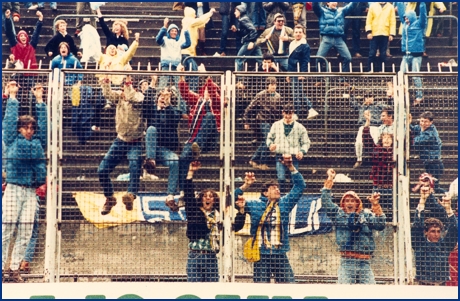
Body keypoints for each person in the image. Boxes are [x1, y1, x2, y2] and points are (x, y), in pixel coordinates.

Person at [2, 81, 47, 283]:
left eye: (31, 128)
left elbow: (45, 127)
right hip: (13, 188)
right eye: (25, 127)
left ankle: (14, 269)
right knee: (7, 227)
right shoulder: (12, 139)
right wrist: (12, 97)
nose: (28, 130)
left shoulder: (38, 142)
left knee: (26, 230)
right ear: (19, 129)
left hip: (31, 191)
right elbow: (9, 122)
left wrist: (40, 101)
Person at [240, 154, 306, 283]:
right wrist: (245, 185)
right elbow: (233, 199)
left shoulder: (285, 203)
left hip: (280, 253)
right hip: (261, 254)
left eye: (278, 188)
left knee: (288, 287)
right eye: (273, 188)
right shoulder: (254, 204)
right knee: (261, 290)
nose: (278, 190)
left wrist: (291, 167)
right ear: (265, 193)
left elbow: (300, 186)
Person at [184, 161, 253, 282]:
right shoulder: (194, 211)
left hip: (211, 256)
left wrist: (241, 210)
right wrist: (190, 172)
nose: (208, 198)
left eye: (211, 196)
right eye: (205, 196)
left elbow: (236, 226)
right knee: (194, 288)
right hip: (195, 255)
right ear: (200, 199)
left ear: (214, 200)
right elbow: (188, 195)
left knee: (211, 289)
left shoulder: (219, 216)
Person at [321, 169, 386, 284]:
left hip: (365, 263)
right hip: (347, 262)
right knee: (344, 294)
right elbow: (326, 202)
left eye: (352, 201)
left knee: (372, 294)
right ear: (343, 204)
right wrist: (330, 179)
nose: (350, 203)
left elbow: (380, 225)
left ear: (357, 203)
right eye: (347, 201)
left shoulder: (366, 215)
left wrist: (376, 205)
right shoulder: (338, 215)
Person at [98, 75, 145, 216]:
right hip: (120, 140)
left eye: (125, 86)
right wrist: (106, 82)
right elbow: (108, 94)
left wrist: (128, 83)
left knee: (134, 166)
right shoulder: (119, 97)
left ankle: (130, 195)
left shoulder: (139, 98)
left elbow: (132, 97)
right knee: (102, 170)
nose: (122, 91)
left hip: (136, 141)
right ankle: (110, 197)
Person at [177, 77, 221, 205]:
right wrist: (182, 78)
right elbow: (185, 94)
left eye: (210, 90)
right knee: (183, 158)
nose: (208, 92)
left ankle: (197, 147)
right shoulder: (198, 101)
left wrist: (207, 79)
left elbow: (214, 94)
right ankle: (183, 192)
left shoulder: (217, 102)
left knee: (209, 116)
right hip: (192, 139)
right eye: (206, 90)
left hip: (210, 140)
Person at [412, 176, 458, 285]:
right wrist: (422, 200)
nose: (436, 234)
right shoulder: (419, 244)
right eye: (433, 231)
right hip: (424, 284)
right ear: (426, 232)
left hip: (441, 285)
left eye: (438, 231)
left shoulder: (445, 245)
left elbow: (454, 228)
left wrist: (448, 209)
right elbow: (417, 225)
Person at [144, 87, 181, 210]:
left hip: (165, 150)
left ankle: (170, 196)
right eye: (161, 96)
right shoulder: (151, 110)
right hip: (151, 149)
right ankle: (150, 161)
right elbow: (146, 102)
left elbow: (175, 120)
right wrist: (152, 85)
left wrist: (168, 105)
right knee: (151, 129)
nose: (163, 98)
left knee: (175, 161)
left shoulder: (173, 111)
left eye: (166, 97)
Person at [4, 9, 43, 117]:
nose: (23, 37)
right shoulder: (14, 45)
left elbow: (36, 34)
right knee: (17, 95)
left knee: (33, 94)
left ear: (27, 37)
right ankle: (15, 116)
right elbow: (10, 33)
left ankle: (34, 115)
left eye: (24, 36)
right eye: (21, 36)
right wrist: (8, 19)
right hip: (18, 74)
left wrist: (40, 20)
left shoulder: (31, 46)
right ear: (18, 38)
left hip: (30, 74)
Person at [267, 104, 310, 194]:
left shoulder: (300, 127)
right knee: (281, 178)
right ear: (283, 113)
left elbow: (306, 142)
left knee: (294, 178)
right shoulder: (276, 125)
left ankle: (292, 197)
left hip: (293, 156)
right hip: (280, 156)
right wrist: (270, 145)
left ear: (293, 113)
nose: (288, 116)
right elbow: (269, 138)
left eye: (290, 113)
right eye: (286, 113)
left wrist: (302, 152)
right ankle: (281, 196)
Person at [243, 77, 284, 170]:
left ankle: (254, 159)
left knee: (266, 141)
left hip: (273, 122)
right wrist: (246, 120)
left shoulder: (278, 96)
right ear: (267, 85)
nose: (273, 86)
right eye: (271, 85)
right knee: (268, 141)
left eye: (275, 84)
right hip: (263, 120)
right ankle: (262, 162)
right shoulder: (261, 95)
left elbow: (280, 111)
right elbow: (249, 108)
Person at [362, 110, 395, 217]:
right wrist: (367, 122)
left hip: (391, 187)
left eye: (388, 138)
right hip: (378, 186)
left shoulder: (396, 151)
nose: (386, 140)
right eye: (384, 138)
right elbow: (367, 141)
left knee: (392, 211)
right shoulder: (377, 149)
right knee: (376, 209)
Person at [395, 2, 427, 105]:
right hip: (406, 54)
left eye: (408, 18)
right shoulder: (404, 24)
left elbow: (423, 14)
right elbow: (401, 10)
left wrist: (422, 3)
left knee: (415, 75)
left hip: (416, 54)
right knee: (401, 73)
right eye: (405, 18)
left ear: (412, 17)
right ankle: (401, 94)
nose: (406, 20)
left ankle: (419, 96)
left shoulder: (420, 24)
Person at [313, 2, 357, 73]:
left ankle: (343, 79)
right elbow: (315, 5)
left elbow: (351, 6)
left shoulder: (341, 11)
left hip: (338, 39)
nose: (334, 3)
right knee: (319, 59)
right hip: (327, 38)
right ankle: (319, 79)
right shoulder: (322, 11)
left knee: (348, 58)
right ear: (327, 3)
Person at [349, 90, 387, 168]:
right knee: (359, 142)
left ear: (373, 98)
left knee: (376, 143)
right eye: (366, 97)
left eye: (370, 97)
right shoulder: (361, 107)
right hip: (363, 126)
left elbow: (387, 107)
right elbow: (352, 103)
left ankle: (376, 160)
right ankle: (359, 159)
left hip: (375, 127)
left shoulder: (378, 106)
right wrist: (351, 93)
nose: (368, 99)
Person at [287, 24, 318, 120]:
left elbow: (305, 60)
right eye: (296, 32)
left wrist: (302, 73)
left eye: (300, 32)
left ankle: (297, 112)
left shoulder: (305, 46)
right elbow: (289, 59)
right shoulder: (292, 44)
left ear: (303, 33)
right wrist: (288, 74)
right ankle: (310, 109)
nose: (298, 34)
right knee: (298, 92)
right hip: (292, 71)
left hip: (298, 71)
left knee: (296, 92)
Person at [409, 111, 444, 193]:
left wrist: (414, 135)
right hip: (429, 163)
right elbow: (414, 129)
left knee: (433, 187)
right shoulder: (422, 128)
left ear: (431, 122)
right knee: (431, 186)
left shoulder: (430, 133)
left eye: (426, 122)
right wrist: (409, 123)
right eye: (421, 121)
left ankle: (448, 195)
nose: (423, 124)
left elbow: (416, 142)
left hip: (435, 164)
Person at [365, 2, 396, 72]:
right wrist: (369, 32)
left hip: (385, 33)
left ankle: (381, 70)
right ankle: (370, 69)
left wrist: (391, 34)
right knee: (372, 53)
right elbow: (369, 20)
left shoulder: (390, 7)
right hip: (374, 33)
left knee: (383, 54)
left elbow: (392, 21)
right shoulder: (373, 6)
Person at [232, 4, 263, 71]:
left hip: (249, 42)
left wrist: (251, 41)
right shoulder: (244, 19)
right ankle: (264, 76)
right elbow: (245, 32)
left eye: (236, 11)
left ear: (240, 11)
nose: (234, 13)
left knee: (239, 59)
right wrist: (237, 31)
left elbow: (253, 30)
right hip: (253, 42)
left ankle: (239, 79)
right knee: (261, 60)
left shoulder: (243, 19)